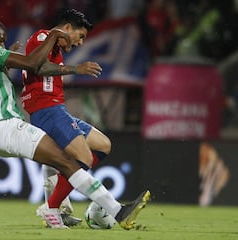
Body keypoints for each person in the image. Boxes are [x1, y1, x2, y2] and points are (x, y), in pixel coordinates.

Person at [0, 18, 150, 229]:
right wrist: (53, 36)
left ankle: (57, 211)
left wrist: (6, 56)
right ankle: (115, 210)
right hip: (4, 126)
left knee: (61, 160)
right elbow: (33, 64)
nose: (2, 45)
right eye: (0, 41)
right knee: (66, 161)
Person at [21, 9, 148, 228]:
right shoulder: (43, 37)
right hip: (46, 111)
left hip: (57, 110)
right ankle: (54, 208)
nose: (80, 43)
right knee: (84, 158)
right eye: (80, 36)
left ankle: (56, 201)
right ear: (67, 28)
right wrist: (76, 69)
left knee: (103, 145)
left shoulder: (56, 50)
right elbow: (38, 68)